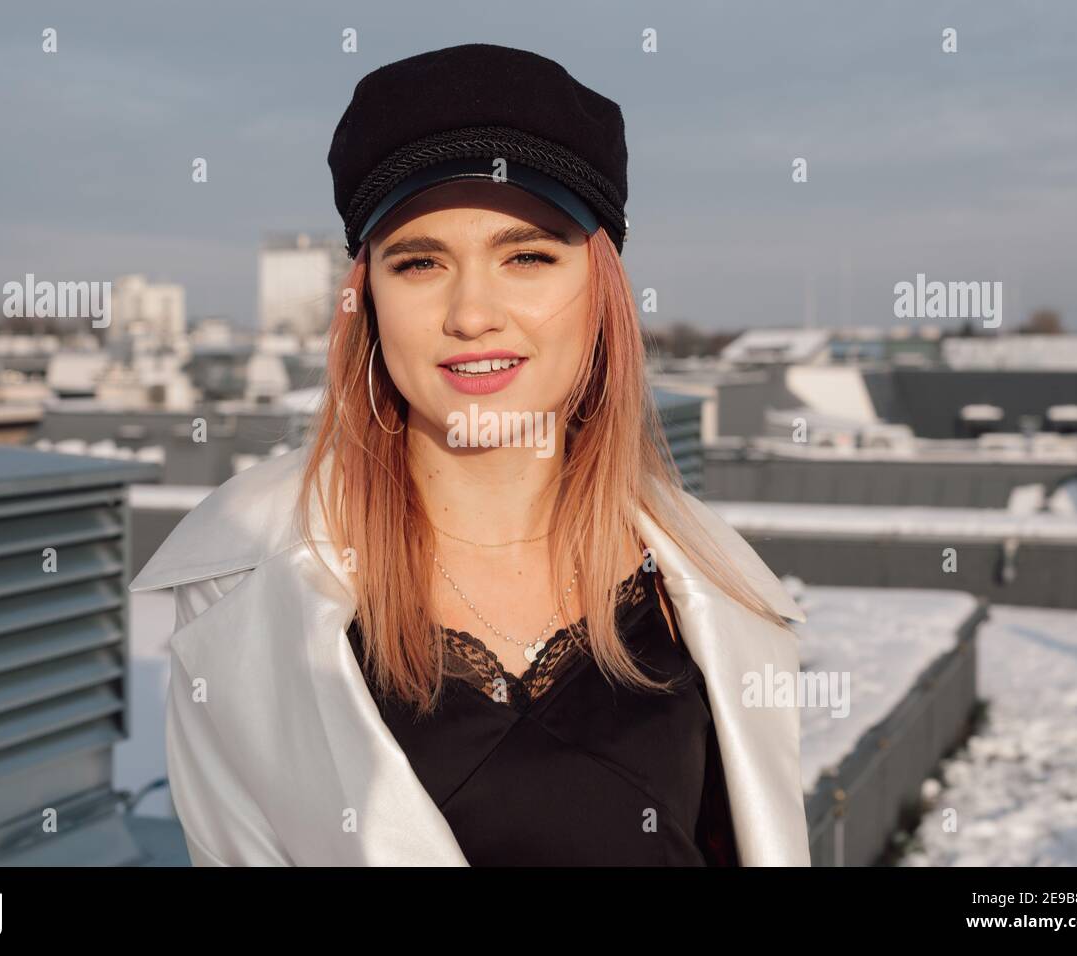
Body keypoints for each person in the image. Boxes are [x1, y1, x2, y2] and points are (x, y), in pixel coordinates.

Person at [131, 42, 811, 867]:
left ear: (600, 292)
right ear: (369, 298)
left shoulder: (711, 592)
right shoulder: (243, 589)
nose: (472, 313)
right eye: (419, 263)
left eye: (527, 256)